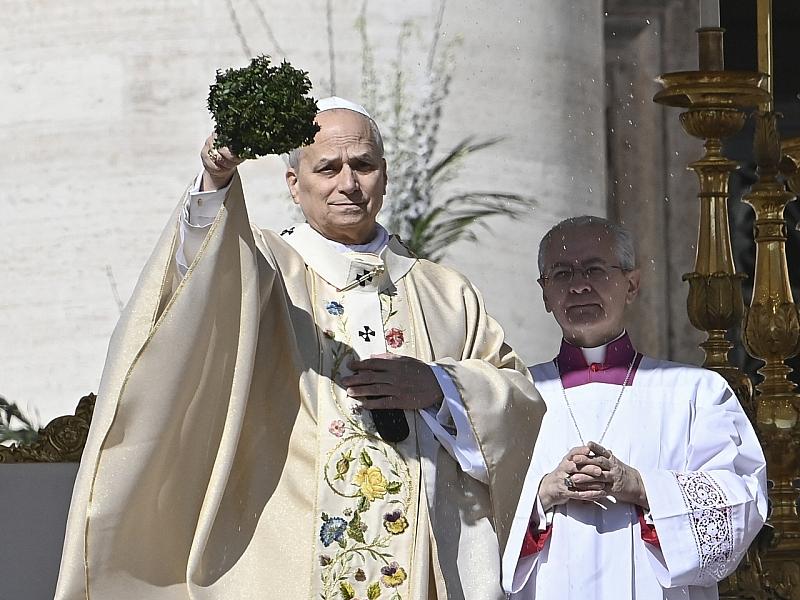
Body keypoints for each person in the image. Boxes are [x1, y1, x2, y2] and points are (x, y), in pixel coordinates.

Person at [55, 96, 544, 600]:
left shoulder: (446, 292)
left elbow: (523, 404)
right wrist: (217, 183)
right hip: (284, 554)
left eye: (363, 166)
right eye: (327, 168)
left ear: (385, 174)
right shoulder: (265, 268)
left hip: (425, 562)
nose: (348, 184)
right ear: (294, 184)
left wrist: (440, 387)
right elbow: (196, 292)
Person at [500, 216, 767, 600]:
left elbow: (742, 500)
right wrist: (542, 495)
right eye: (561, 273)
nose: (578, 285)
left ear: (632, 284)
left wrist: (641, 486)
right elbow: (474, 513)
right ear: (544, 294)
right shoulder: (511, 397)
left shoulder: (696, 393)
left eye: (594, 268)